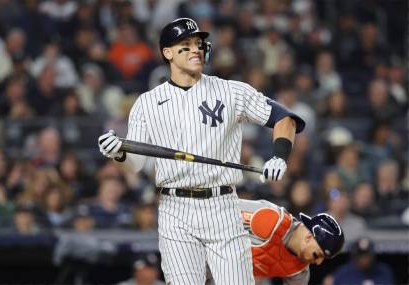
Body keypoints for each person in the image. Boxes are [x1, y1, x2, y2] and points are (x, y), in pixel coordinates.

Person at [98, 17, 305, 285]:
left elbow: (284, 118)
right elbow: (135, 164)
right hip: (175, 207)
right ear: (167, 53)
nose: (196, 49)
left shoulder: (229, 90)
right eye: (186, 44)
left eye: (198, 43)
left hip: (223, 205)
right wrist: (119, 153)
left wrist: (279, 155)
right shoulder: (146, 103)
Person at [330, 237, 394, 285]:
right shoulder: (342, 273)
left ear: (373, 256)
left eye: (366, 255)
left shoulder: (384, 272)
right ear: (354, 256)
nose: (364, 259)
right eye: (360, 255)